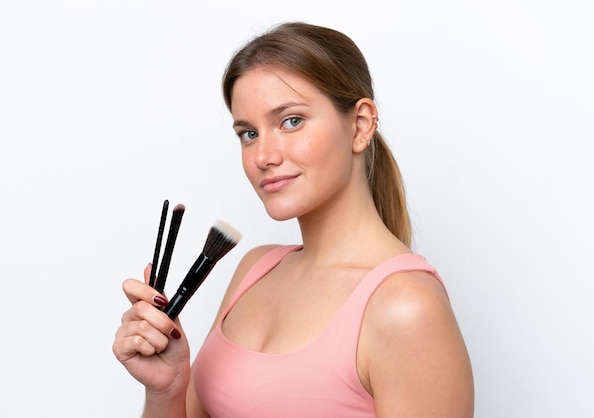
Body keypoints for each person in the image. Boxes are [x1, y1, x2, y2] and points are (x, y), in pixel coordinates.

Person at [113, 22, 474, 417]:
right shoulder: (256, 269)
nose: (263, 156)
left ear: (360, 124)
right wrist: (166, 389)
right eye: (248, 133)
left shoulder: (406, 308)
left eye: (291, 121)